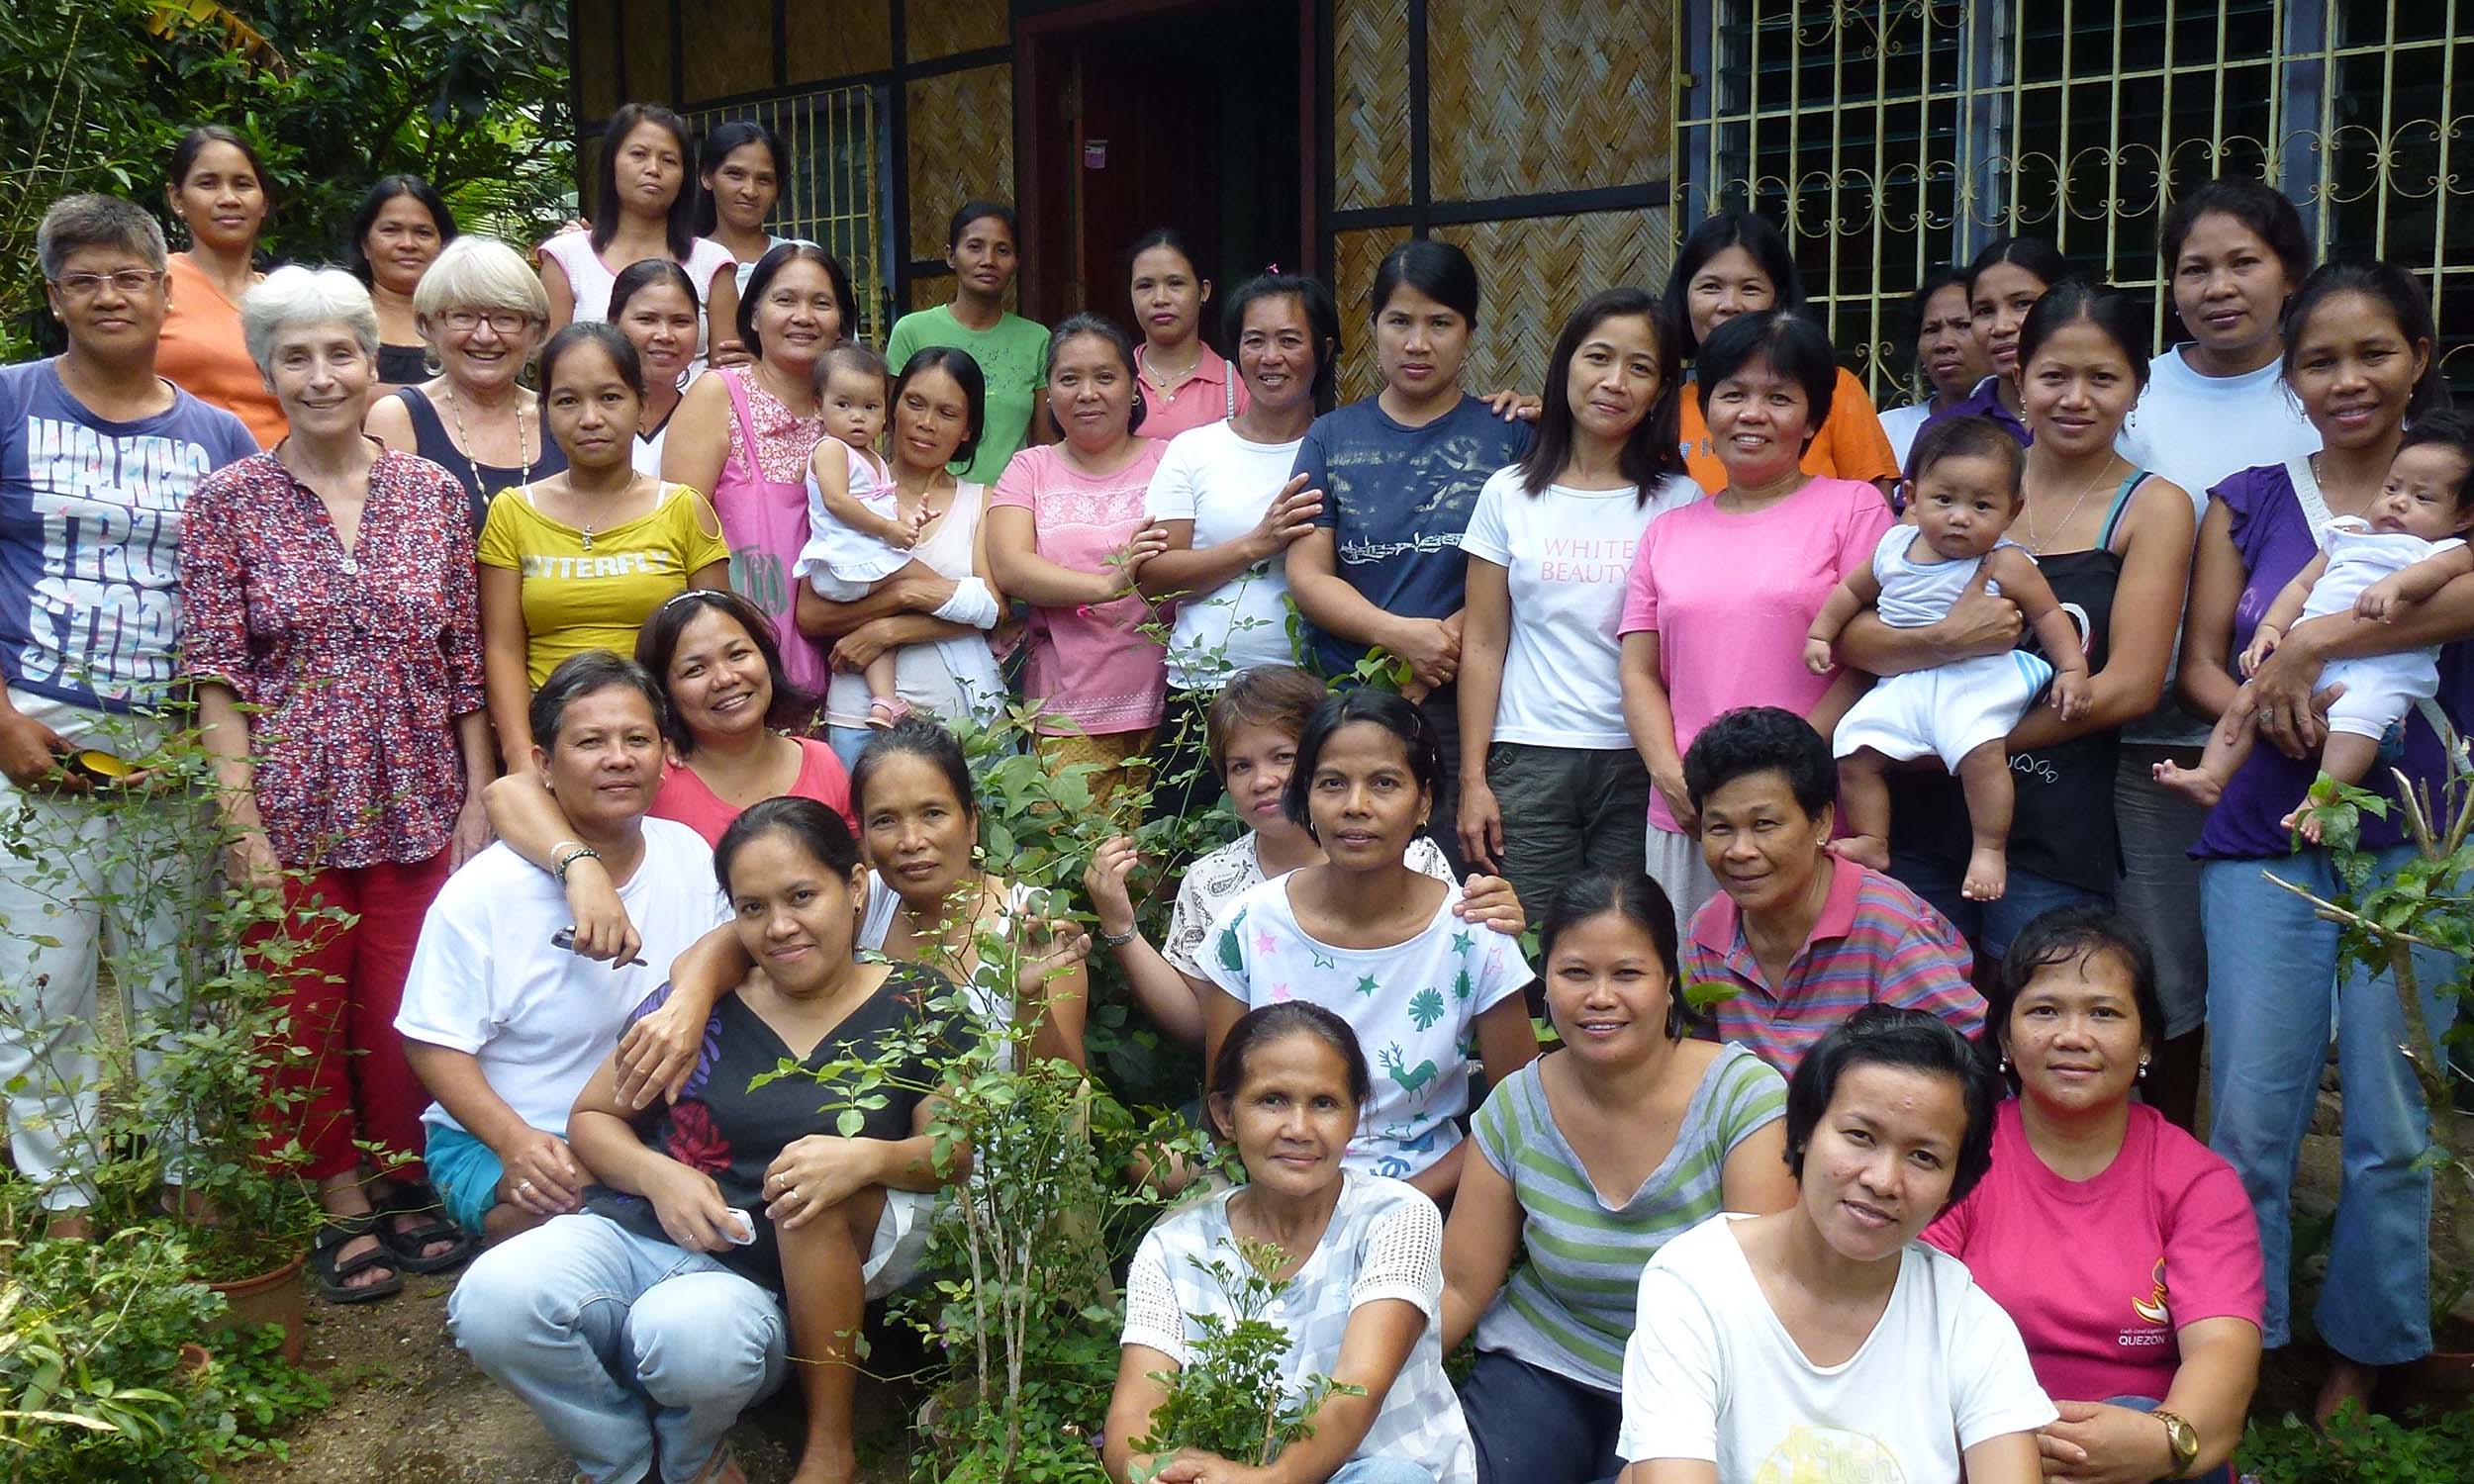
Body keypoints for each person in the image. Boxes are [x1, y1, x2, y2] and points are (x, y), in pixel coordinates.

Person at [451, 798, 968, 1484]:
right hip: (629, 1235)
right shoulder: (699, 1008)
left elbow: (950, 1152)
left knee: (692, 1345)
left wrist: (866, 1157)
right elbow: (593, 1118)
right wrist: (654, 1175)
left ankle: (694, 1448)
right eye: (752, 908)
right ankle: (624, 1462)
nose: (779, 927)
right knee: (492, 1302)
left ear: (855, 888)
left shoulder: (920, 1004)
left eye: (802, 896)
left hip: (747, 1277)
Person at [2176, 259, 2467, 1420]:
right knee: (2251, 1111)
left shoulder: (2459, 501)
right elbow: (2200, 659)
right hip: (2262, 834)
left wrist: (2305, 647)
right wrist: (2263, 692)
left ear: (2418, 358)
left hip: (2421, 837)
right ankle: (2238, 1351)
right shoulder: (2247, 496)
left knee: (2392, 1118)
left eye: (2373, 353)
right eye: (2320, 360)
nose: (2348, 380)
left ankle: (2366, 1344)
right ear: (2288, 379)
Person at [180, 265, 493, 1301]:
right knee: (302, 1013)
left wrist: (478, 800)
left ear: (373, 362)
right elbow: (217, 680)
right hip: (292, 805)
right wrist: (242, 828)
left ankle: (407, 1182)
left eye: (340, 353)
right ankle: (339, 1200)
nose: (320, 376)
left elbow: (463, 669)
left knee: (410, 1008)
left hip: (416, 797)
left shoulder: (431, 495)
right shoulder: (228, 503)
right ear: (267, 370)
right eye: (295, 356)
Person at [0, 195, 257, 1238]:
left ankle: (191, 1194)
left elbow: (242, 601)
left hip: (173, 747)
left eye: (129, 276)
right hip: (35, 731)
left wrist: (217, 741)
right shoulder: (11, 401)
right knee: (39, 983)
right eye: (85, 278)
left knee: (176, 984)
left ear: (165, 292)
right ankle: (62, 1214)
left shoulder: (219, 433)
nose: (109, 294)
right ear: (55, 297)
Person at [1846, 284, 2195, 964]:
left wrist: (1973, 742)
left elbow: (2129, 686)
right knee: (1918, 1027)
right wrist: (1940, 643)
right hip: (1917, 812)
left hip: (2051, 831)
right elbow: (1859, 632)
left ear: (2137, 388)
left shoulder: (2154, 506)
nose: (2075, 398)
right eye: (2054, 375)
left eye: (2103, 378)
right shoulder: (1960, 484)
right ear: (2018, 375)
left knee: (2034, 1019)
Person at [1440, 871, 1794, 1484]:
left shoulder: (1743, 1098)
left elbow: (1757, 1299)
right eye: (1576, 973)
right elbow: (1461, 1286)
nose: (1600, 997)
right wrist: (1355, 1393)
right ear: (1544, 985)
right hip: (1547, 1359)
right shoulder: (1515, 1107)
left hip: (1695, 1378)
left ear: (1668, 982)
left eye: (1627, 974)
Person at [1613, 1005, 2052, 1484]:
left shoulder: (1964, 1321)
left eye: (1924, 1157)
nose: (1884, 1181)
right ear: (1803, 1131)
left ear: (1955, 1184)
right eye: (1860, 1136)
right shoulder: (1695, 1283)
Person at [2110, 176, 2320, 1129]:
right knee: (2164, 961)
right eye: (2195, 268)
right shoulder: (2137, 394)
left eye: (2245, 262)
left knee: (2269, 969)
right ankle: (2163, 1160)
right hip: (2146, 725)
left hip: (2305, 733)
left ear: (2290, 275)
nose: (2218, 286)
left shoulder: (2322, 394)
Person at [395, 652, 729, 1243]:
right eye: (590, 742)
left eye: (637, 739)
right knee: (583, 1196)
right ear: (544, 766)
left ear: (663, 757)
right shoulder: (483, 892)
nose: (618, 758)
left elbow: (732, 945)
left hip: (645, 1129)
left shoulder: (690, 854)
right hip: (512, 1134)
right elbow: (431, 1042)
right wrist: (514, 1140)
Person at [1926, 907, 2263, 1484]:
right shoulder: (1955, 1158)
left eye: (2103, 1013)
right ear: (2006, 1035)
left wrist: (2162, 1440)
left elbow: (2222, 1356)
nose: (2072, 1037)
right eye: (2044, 1011)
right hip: (1975, 1439)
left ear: (2146, 1043)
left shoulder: (2197, 1182)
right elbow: (1905, 1334)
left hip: (2147, 1456)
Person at [1105, 1002, 1476, 1484]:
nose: (1298, 1129)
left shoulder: (1398, 1219)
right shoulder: (1173, 1247)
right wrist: (1155, 1475)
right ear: (1224, 1115)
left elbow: (1352, 1392)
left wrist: (1263, 1481)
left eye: (1324, 1103)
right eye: (1272, 1100)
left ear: (1354, 1116)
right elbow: (1135, 1415)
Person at [620, 718, 1093, 1092]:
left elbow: (1061, 1092)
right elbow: (740, 937)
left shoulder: (1033, 924)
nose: (911, 841)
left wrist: (1030, 1000)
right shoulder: (864, 903)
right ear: (863, 837)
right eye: (885, 821)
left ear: (971, 822)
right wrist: (689, 1000)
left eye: (933, 814)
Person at [1199, 690, 1539, 1201]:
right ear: (1307, 798)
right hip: (1275, 1193)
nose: (1356, 806)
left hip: (1425, 1198)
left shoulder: (1472, 934)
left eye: (1384, 783)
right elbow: (1224, 1104)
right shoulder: (1249, 925)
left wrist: (1398, 1206)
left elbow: (1515, 1112)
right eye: (1332, 783)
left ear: (1423, 800)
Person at [1615, 308, 1893, 932]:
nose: (1751, 413)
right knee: (1697, 988)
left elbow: (1872, 661)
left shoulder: (1854, 510)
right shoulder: (1667, 531)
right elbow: (1639, 672)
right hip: (1692, 812)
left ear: (1814, 417)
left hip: (1808, 805)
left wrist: (1788, 766)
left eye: (1779, 397)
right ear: (1705, 408)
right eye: (1732, 394)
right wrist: (1670, 774)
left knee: (1817, 997)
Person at [1085, 665, 1525, 1048]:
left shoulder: (1411, 858)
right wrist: (1121, 926)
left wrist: (1494, 918)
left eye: (1283, 757)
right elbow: (1201, 1025)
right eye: (1241, 766)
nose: (1263, 780)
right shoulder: (1213, 881)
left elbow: (1456, 961)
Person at [1286, 240, 1532, 871]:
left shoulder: (1511, 435)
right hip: (1354, 700)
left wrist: (1440, 651)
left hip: (1470, 708)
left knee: (1467, 881)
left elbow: (1530, 571)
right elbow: (1309, 574)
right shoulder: (1331, 436)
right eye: (1399, 321)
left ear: (1471, 332)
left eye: (1439, 323)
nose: (1417, 343)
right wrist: (1399, 640)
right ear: (1373, 329)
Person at [1457, 288, 1699, 919]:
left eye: (1639, 368)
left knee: (1626, 942)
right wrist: (1474, 779)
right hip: (1529, 756)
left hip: (1639, 761)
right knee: (1523, 944)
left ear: (1660, 389)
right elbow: (1483, 643)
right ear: (1566, 364)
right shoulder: (1507, 494)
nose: (1614, 382)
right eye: (1598, 358)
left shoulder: (1681, 502)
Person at [1807, 416, 2092, 902]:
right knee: (1853, 750)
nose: (1961, 516)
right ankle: (1875, 841)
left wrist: (2072, 668)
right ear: (1912, 497)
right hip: (1906, 681)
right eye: (1945, 500)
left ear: (2011, 510)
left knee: (1982, 753)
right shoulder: (1893, 548)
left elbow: (2046, 613)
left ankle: (1988, 847)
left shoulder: (2004, 562)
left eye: (1982, 505)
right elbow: (1850, 592)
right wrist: (1819, 634)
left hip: (1975, 680)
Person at [2158, 415, 2474, 828]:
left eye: (2424, 498)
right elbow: (2301, 586)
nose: (2398, 502)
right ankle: (2212, 774)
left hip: (2379, 671)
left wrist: (2397, 585)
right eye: (2392, 487)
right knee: (2249, 698)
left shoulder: (2447, 551)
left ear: (2463, 517)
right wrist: (2271, 629)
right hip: (2297, 667)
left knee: (2358, 722)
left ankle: (2322, 800)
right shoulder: (2348, 532)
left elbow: (2431, 579)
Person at [1673, 707, 1981, 1074]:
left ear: (1822, 821)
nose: (1740, 851)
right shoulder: (1706, 933)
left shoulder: (1893, 932)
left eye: (1764, 824)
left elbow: (1958, 1075)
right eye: (1720, 828)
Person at [1133, 271, 1338, 821]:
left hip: (1314, 690)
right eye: (1255, 340)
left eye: (1289, 340)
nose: (1271, 357)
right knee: (1181, 847)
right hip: (1204, 687)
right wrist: (1256, 543)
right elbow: (1153, 576)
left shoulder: (1346, 444)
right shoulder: (1194, 450)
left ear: (1323, 350)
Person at [479, 324, 729, 761]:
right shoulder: (512, 511)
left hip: (662, 749)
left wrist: (687, 743)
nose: (590, 418)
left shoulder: (684, 509)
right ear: (546, 411)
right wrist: (523, 758)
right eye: (567, 401)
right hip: (552, 748)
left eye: (610, 397)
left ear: (641, 405)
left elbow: (715, 645)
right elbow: (502, 648)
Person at [485, 587, 852, 867]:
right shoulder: (646, 771)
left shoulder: (820, 760)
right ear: (665, 691)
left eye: (738, 654)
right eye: (695, 669)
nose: (725, 678)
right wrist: (579, 867)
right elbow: (506, 795)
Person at [987, 315, 1172, 817]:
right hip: (1065, 712)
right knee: (1071, 872)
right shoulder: (1031, 467)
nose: (1087, 392)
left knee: (1158, 871)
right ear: (1049, 393)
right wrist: (1108, 585)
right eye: (1069, 379)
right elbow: (1011, 566)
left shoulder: (1170, 462)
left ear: (1134, 389)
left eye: (1105, 377)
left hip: (1168, 706)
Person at [796, 346, 1007, 766]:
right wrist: (910, 594)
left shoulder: (981, 502)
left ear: (968, 429)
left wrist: (887, 628)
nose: (926, 423)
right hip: (860, 720)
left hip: (963, 720)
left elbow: (994, 610)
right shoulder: (847, 489)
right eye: (914, 403)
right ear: (892, 409)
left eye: (948, 413)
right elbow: (812, 615)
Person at [663, 241, 849, 696]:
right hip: (735, 663)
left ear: (841, 321)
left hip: (842, 654)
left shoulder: (851, 414)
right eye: (785, 300)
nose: (803, 316)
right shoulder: (718, 394)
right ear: (752, 315)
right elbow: (673, 532)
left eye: (821, 303)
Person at [1662, 211, 1897, 493]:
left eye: (1750, 288)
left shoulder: (1834, 389)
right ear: (1684, 297)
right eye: (1711, 287)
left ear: (1779, 300)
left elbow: (1872, 511)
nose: (1730, 304)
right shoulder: (1665, 408)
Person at [364, 235, 569, 527]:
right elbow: (390, 546)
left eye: (506, 318)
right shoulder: (398, 418)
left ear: (535, 331)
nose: (485, 336)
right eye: (463, 316)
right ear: (427, 325)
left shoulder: (560, 413)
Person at [539, 102, 739, 361]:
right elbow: (550, 367)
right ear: (612, 162)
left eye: (669, 160)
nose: (653, 169)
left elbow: (729, 373)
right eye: (639, 154)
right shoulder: (566, 256)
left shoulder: (712, 262)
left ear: (684, 175)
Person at [884, 201, 1051, 487]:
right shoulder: (911, 331)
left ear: (1017, 261)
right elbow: (891, 427)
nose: (988, 260)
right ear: (951, 256)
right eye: (975, 247)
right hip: (926, 506)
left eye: (1003, 250)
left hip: (1011, 506)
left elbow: (1043, 443)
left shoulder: (1037, 340)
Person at [798, 343, 917, 727]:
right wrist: (888, 529)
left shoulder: (874, 458)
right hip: (847, 563)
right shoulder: (832, 448)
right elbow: (836, 500)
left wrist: (911, 519)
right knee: (933, 586)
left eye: (870, 407)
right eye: (844, 405)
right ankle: (975, 609)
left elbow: (883, 505)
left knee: (876, 632)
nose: (857, 417)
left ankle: (884, 702)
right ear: (819, 407)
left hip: (860, 564)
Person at [155, 126, 285, 446]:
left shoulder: (287, 299)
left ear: (264, 201)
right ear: (177, 198)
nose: (228, 199)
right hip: (174, 473)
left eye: (242, 184)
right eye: (208, 184)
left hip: (280, 483)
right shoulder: (152, 283)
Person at [1922, 235, 2070, 443]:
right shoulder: (1944, 432)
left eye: (2022, 303)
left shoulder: (2104, 415)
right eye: (1985, 311)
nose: (2001, 327)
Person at [1125, 227, 1247, 443]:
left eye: (1175, 284)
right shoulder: (1113, 380)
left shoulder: (1234, 385)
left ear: (1204, 291)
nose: (1160, 298)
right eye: (1145, 286)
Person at [346, 174, 458, 394]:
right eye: (391, 230)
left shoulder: (473, 321)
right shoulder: (338, 316)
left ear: (444, 245)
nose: (408, 244)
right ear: (364, 245)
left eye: (423, 233)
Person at [1877, 268, 1987, 469]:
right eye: (1931, 330)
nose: (1943, 343)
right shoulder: (1886, 430)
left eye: (1963, 325)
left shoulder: (2024, 427)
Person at [608, 258, 702, 475]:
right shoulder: (585, 417)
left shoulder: (714, 422)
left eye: (680, 322)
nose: (665, 336)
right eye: (646, 320)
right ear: (614, 323)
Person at [698, 119, 794, 298]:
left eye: (764, 179)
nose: (750, 191)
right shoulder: (685, 260)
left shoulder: (797, 259)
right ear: (706, 177)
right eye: (736, 175)